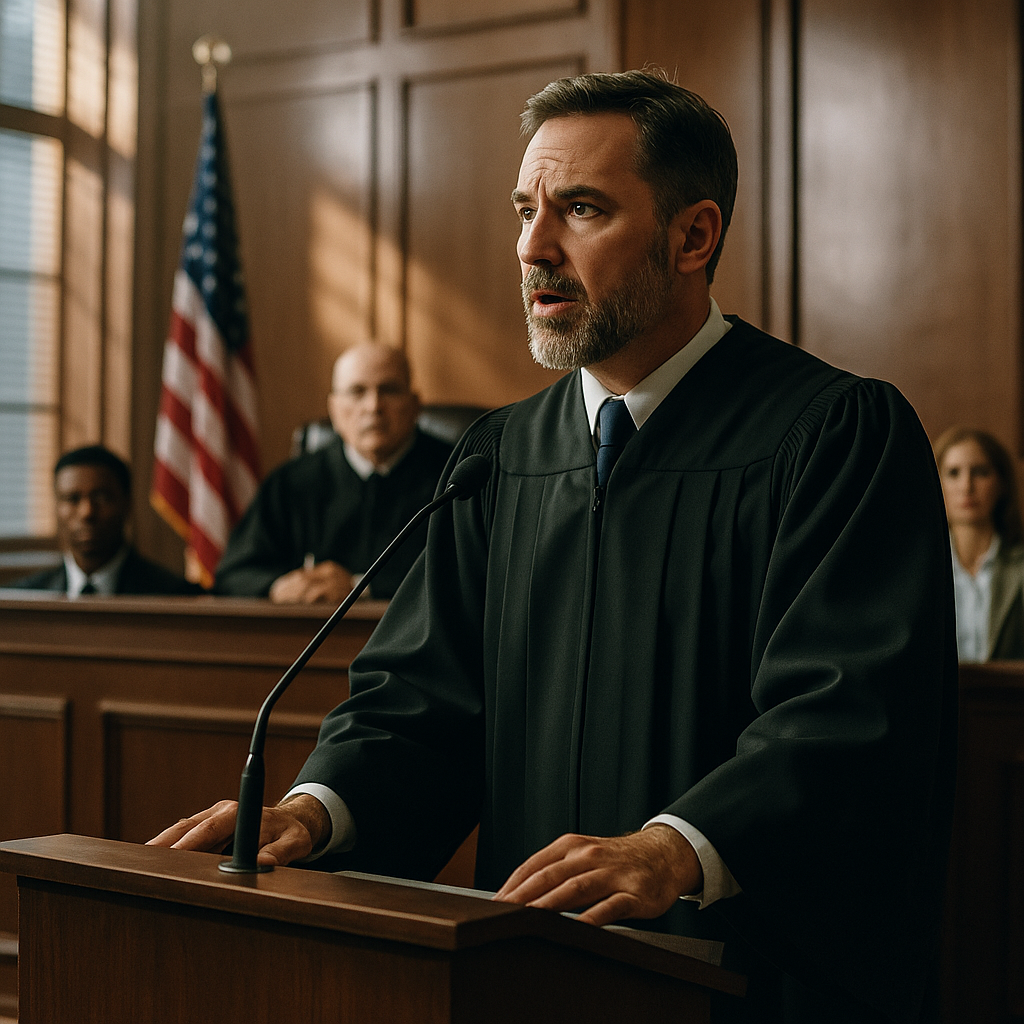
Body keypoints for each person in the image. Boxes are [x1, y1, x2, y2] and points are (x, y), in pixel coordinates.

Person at [151, 72, 958, 1023]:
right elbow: (417, 703)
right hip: (530, 969)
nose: (534, 249)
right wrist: (317, 812)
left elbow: (852, 716)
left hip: (743, 980)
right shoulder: (500, 455)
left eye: (581, 210)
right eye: (525, 211)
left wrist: (672, 849)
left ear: (693, 236)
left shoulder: (831, 435)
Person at [213, 344, 453, 602]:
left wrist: (358, 587)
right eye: (357, 392)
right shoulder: (293, 482)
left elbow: (474, 573)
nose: (373, 406)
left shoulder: (456, 478)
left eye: (389, 390)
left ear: (415, 404)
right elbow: (233, 574)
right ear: (334, 409)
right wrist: (278, 587)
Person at [9, 444, 202, 596]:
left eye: (101, 498)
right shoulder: (21, 600)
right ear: (56, 508)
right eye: (72, 499)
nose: (87, 512)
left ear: (127, 504)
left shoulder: (174, 596)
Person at [934, 425, 1024, 660]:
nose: (967, 487)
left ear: (1002, 483)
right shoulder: (918, 569)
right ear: (936, 483)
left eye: (981, 472)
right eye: (953, 473)